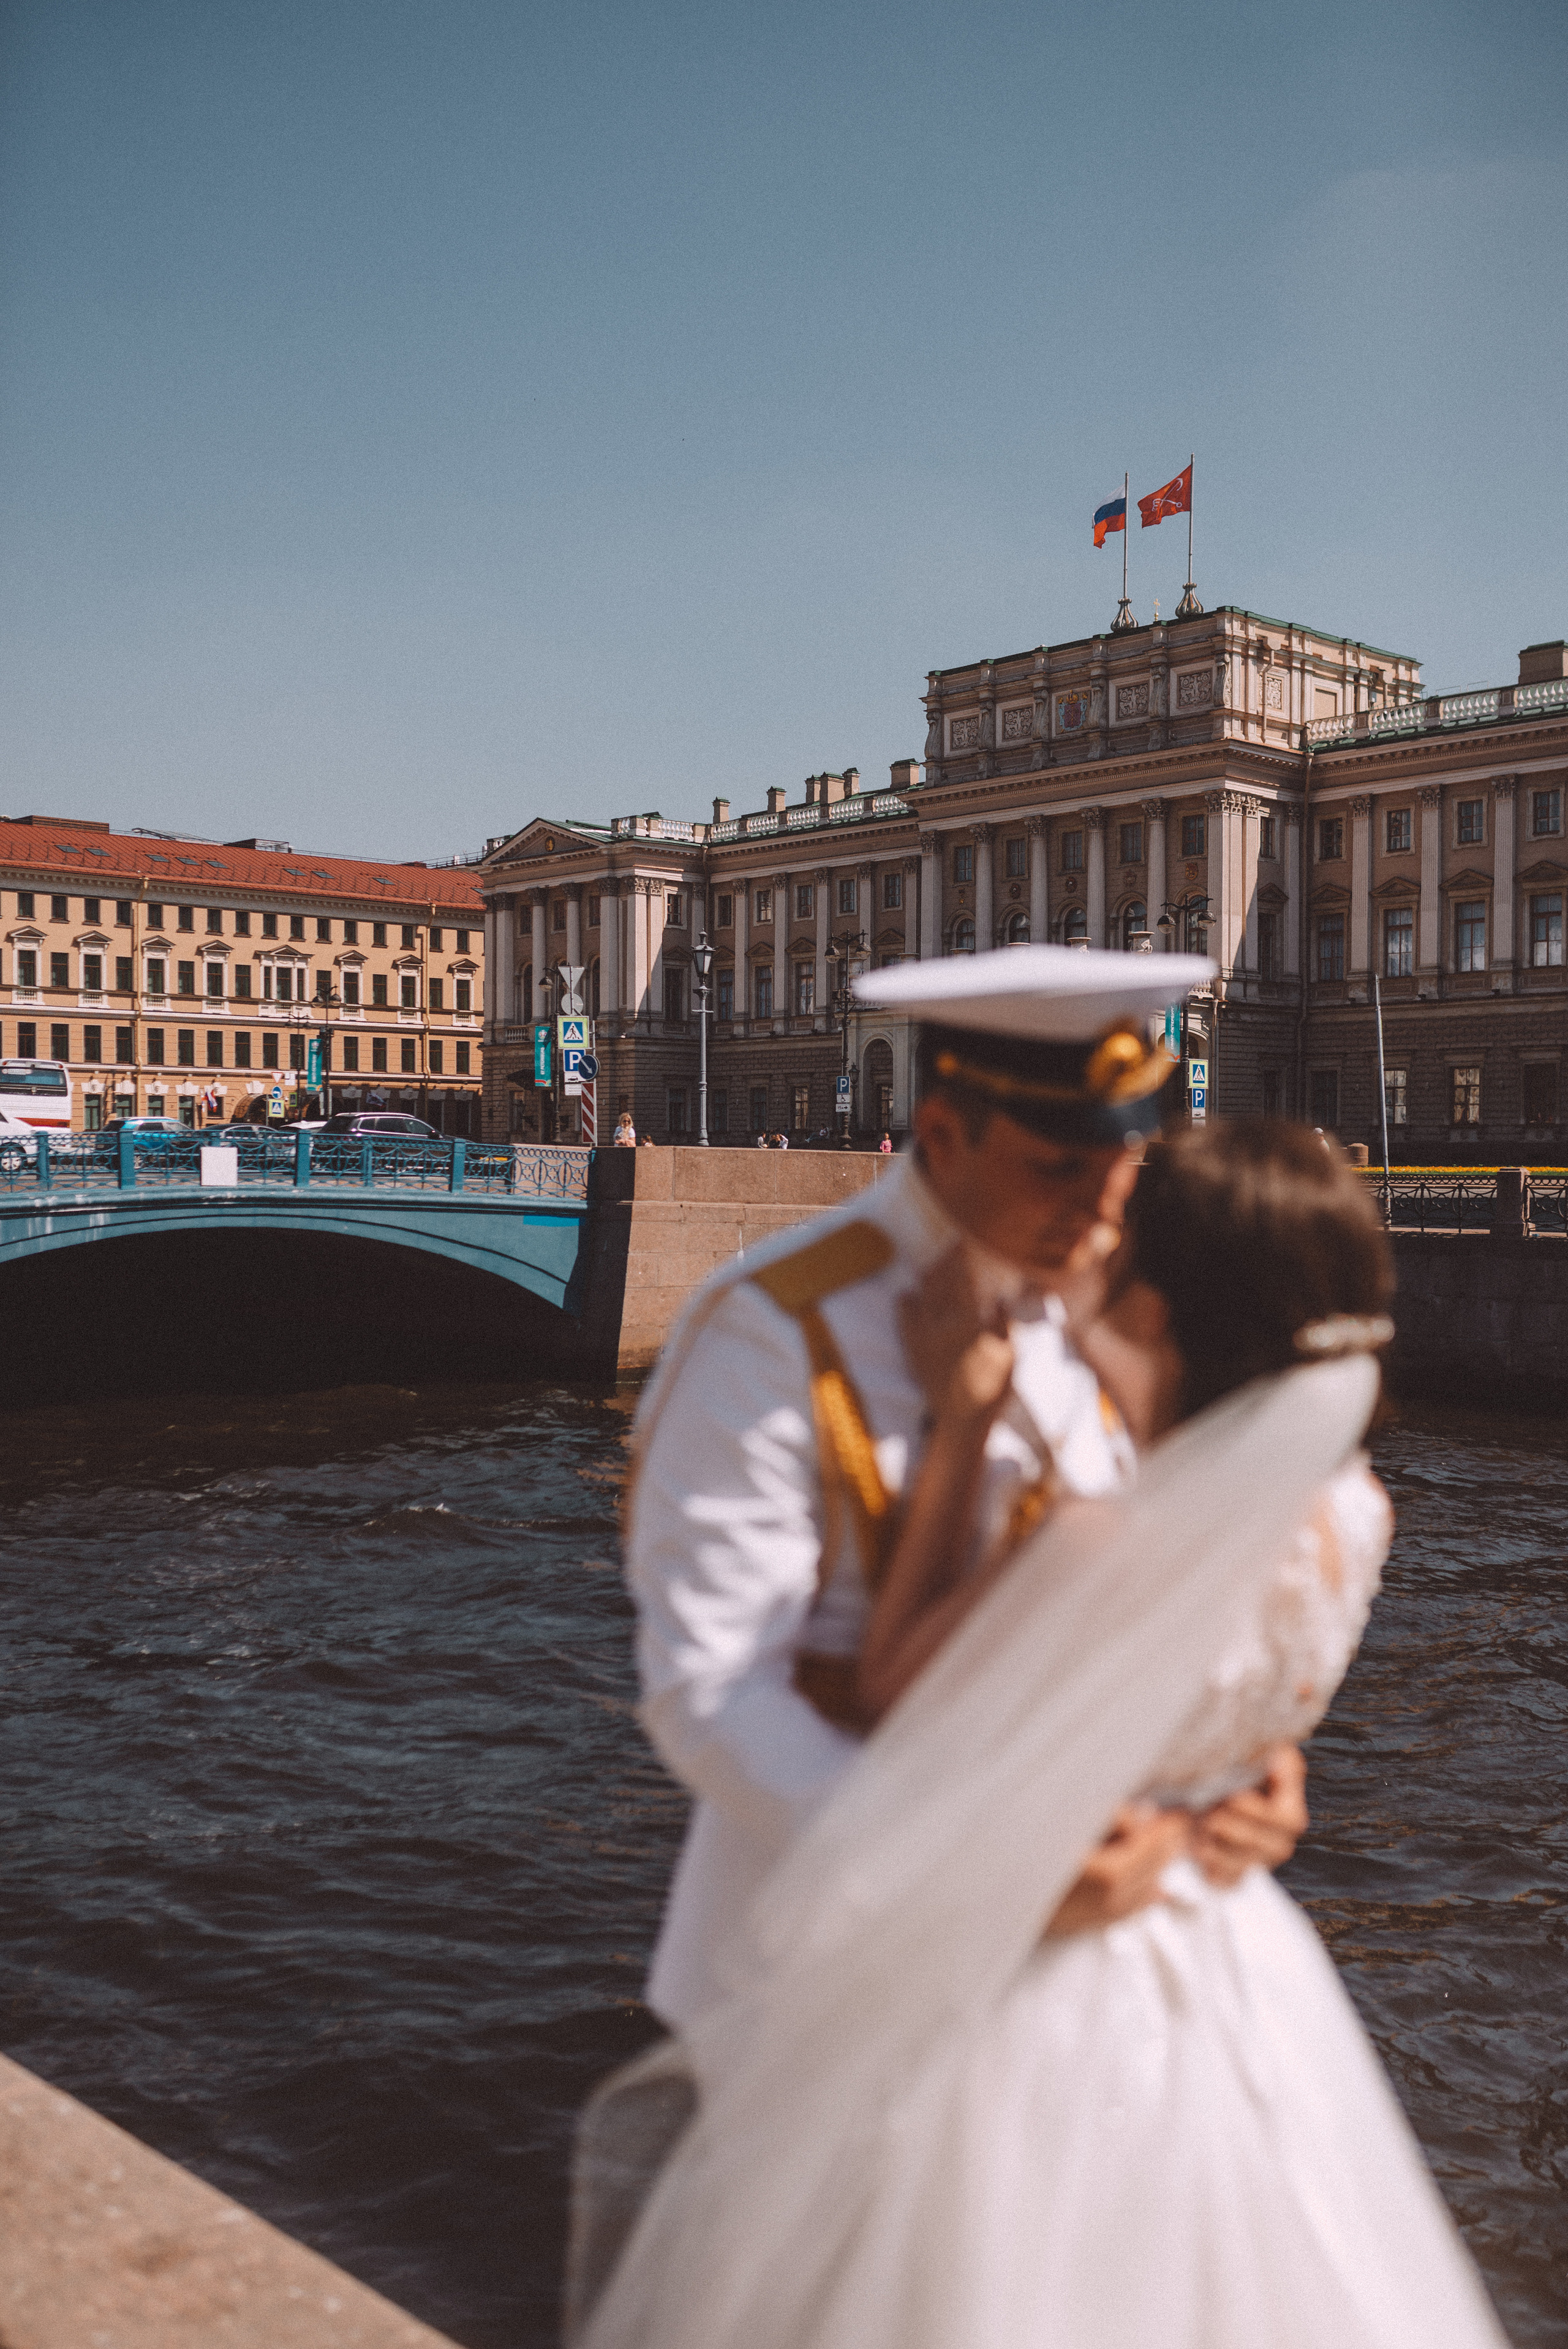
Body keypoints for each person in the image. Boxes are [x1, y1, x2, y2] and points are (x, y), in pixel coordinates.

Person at [580, 1119, 1507, 2349]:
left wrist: (961, 1428)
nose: (1091, 1226)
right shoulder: (1348, 1502)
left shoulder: (1107, 1511)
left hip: (1034, 1975)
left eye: (1118, 1222)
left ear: (1158, 1305)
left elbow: (910, 1681)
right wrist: (1246, 1781)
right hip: (1231, 1961)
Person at [623, 942, 1298, 2037]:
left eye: (1125, 1163)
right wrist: (981, 1868)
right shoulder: (774, 1327)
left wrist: (1238, 1769)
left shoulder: (1106, 1297)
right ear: (943, 1132)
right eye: (1059, 1168)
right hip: (829, 1976)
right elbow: (712, 1695)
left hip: (1088, 1965)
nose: (1103, 1211)